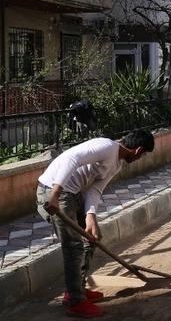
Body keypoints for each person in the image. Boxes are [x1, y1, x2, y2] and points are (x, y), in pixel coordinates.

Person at [37, 129, 155, 318]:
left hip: (73, 194)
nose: (141, 158)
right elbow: (71, 158)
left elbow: (95, 190)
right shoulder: (106, 146)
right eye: (144, 155)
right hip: (52, 191)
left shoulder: (116, 164)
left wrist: (91, 216)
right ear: (139, 150)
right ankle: (75, 301)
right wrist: (55, 194)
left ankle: (77, 289)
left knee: (90, 238)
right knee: (73, 246)